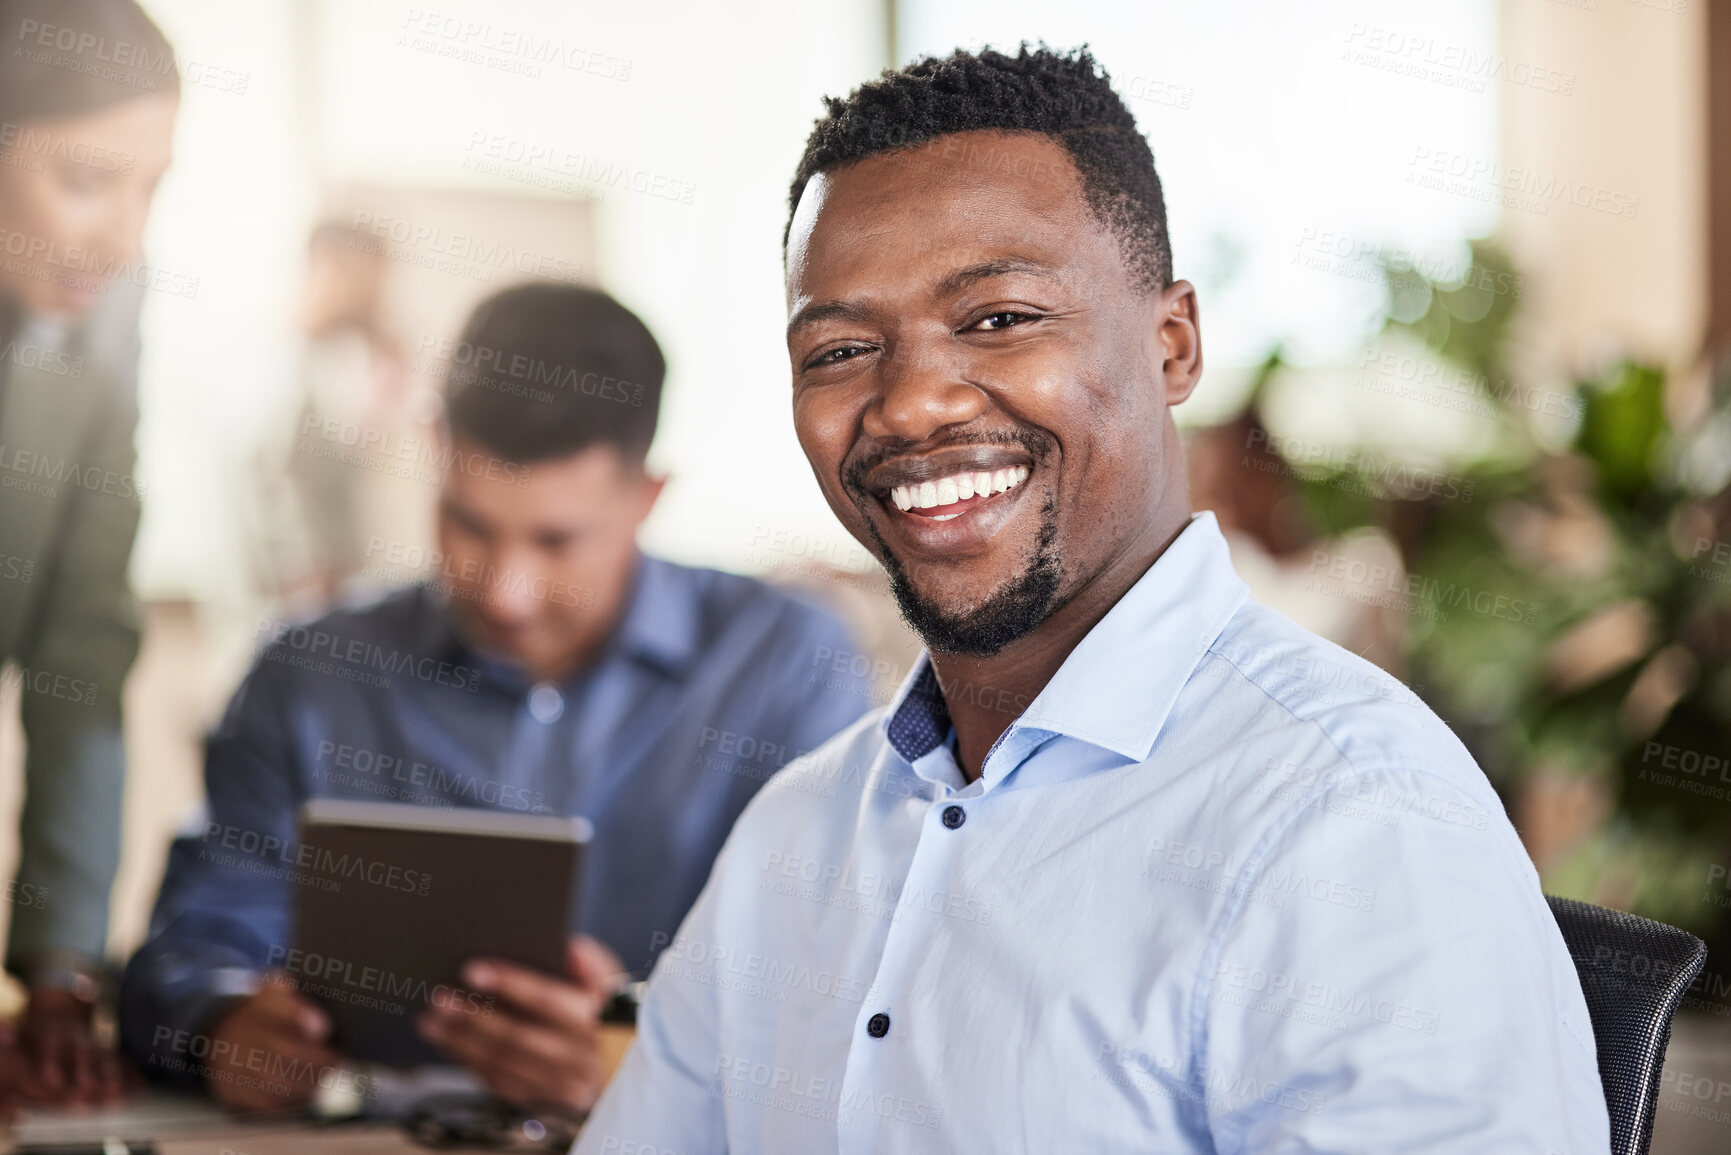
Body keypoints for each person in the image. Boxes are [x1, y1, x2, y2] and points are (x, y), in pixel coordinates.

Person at [576, 45, 1609, 1153]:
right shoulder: (796, 832)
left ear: (1173, 346)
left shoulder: (1355, 821)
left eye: (1000, 319)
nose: (914, 403)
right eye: (842, 348)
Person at [118, 284, 872, 1114]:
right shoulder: (309, 673)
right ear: (433, 448)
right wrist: (223, 1027)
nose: (506, 591)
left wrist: (637, 1064)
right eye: (468, 523)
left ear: (645, 498)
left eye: (556, 540)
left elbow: (838, 985)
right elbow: (182, 956)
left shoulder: (782, 661)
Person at [0, 0, 178, 1108]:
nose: (124, 236)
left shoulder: (104, 306)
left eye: (150, 186)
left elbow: (83, 643)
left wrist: (59, 968)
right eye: (84, 179)